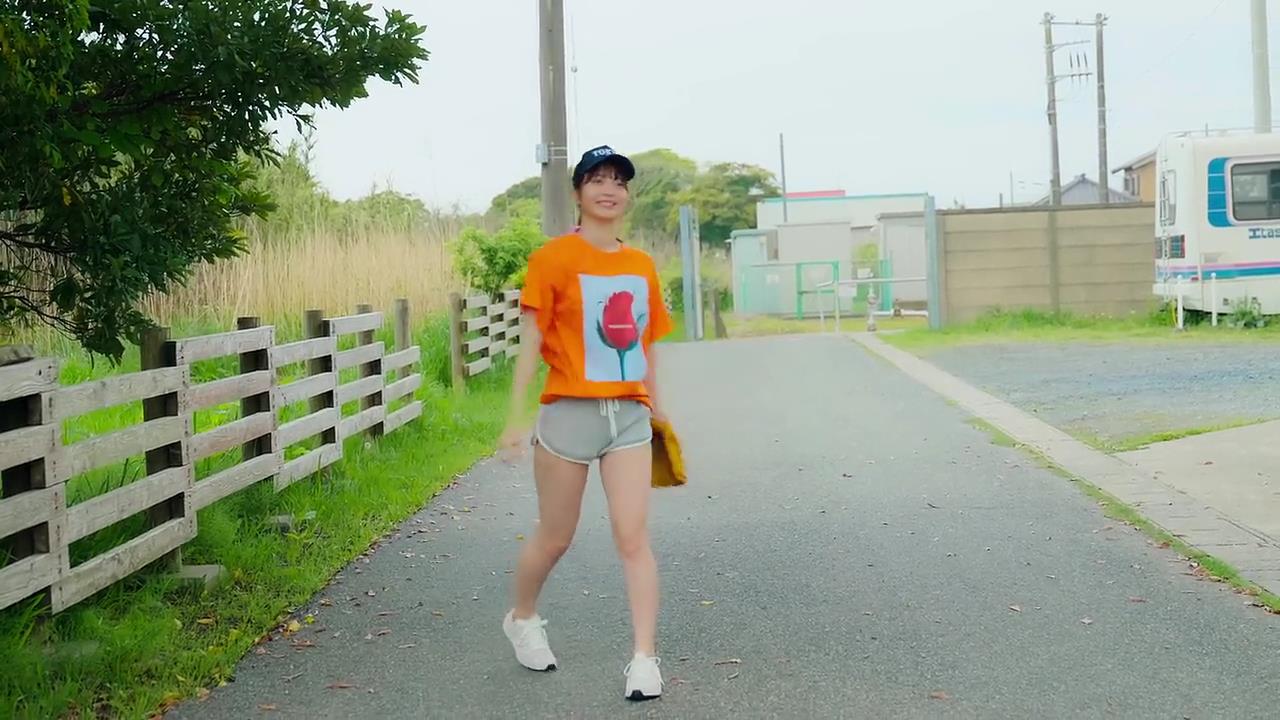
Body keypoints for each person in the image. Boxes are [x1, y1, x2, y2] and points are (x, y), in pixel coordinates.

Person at [498, 145, 673, 701]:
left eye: (619, 181)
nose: (609, 189)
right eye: (597, 179)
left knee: (633, 537)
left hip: (628, 416)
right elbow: (530, 345)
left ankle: (644, 659)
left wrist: (657, 408)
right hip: (568, 414)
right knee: (556, 537)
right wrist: (515, 418)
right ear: (577, 192)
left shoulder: (640, 265)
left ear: (627, 195)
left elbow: (646, 344)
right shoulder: (552, 259)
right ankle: (522, 617)